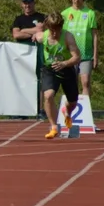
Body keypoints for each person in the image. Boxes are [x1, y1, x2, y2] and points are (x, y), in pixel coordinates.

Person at [33, 12, 81, 140]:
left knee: (73, 102)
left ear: (61, 27)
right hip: (50, 69)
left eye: (57, 30)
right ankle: (54, 127)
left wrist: (64, 63)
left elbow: (77, 57)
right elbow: (37, 35)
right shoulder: (43, 37)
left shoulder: (68, 37)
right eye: (52, 30)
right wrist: (34, 35)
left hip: (67, 68)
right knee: (47, 95)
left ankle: (67, 112)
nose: (54, 34)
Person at [62, 0, 99, 98]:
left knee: (85, 82)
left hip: (85, 54)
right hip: (70, 54)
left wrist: (95, 55)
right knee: (72, 84)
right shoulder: (65, 14)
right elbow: (61, 35)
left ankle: (85, 111)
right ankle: (71, 110)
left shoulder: (90, 13)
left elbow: (95, 35)